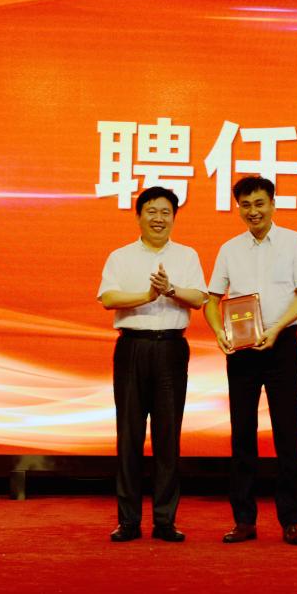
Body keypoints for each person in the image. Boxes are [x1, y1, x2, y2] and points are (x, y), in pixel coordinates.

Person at [204, 176, 297, 546]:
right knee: (242, 434)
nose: (253, 211)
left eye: (259, 203)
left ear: (272, 203)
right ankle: (244, 521)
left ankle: (291, 521)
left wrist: (276, 328)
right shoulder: (229, 249)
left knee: (287, 433)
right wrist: (219, 331)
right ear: (238, 207)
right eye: (246, 205)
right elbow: (212, 300)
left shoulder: (295, 242)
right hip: (241, 350)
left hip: (282, 345)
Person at [97, 186, 207, 543]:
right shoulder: (120, 256)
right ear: (138, 216)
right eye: (151, 211)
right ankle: (128, 521)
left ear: (174, 217)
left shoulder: (187, 255)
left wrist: (170, 290)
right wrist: (147, 296)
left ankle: (165, 520)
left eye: (165, 212)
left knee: (167, 437)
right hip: (132, 347)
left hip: (171, 349)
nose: (158, 218)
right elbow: (108, 298)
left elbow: (199, 298)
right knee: (129, 435)